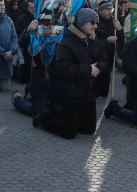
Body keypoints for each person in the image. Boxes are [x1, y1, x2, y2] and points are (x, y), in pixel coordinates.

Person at [36, 8, 107, 139]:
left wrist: (98, 68)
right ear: (82, 22)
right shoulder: (66, 42)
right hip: (70, 93)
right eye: (92, 22)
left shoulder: (93, 40)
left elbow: (103, 59)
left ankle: (72, 118)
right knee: (69, 133)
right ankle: (44, 118)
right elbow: (64, 68)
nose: (95, 26)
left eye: (97, 23)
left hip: (88, 91)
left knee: (88, 129)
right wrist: (89, 69)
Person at [92, 0, 120, 98]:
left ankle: (104, 95)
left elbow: (120, 41)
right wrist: (107, 40)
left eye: (110, 9)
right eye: (107, 9)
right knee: (97, 80)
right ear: (100, 10)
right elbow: (93, 43)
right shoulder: (94, 22)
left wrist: (119, 29)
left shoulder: (113, 21)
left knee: (106, 81)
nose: (110, 11)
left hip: (109, 56)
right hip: (98, 58)